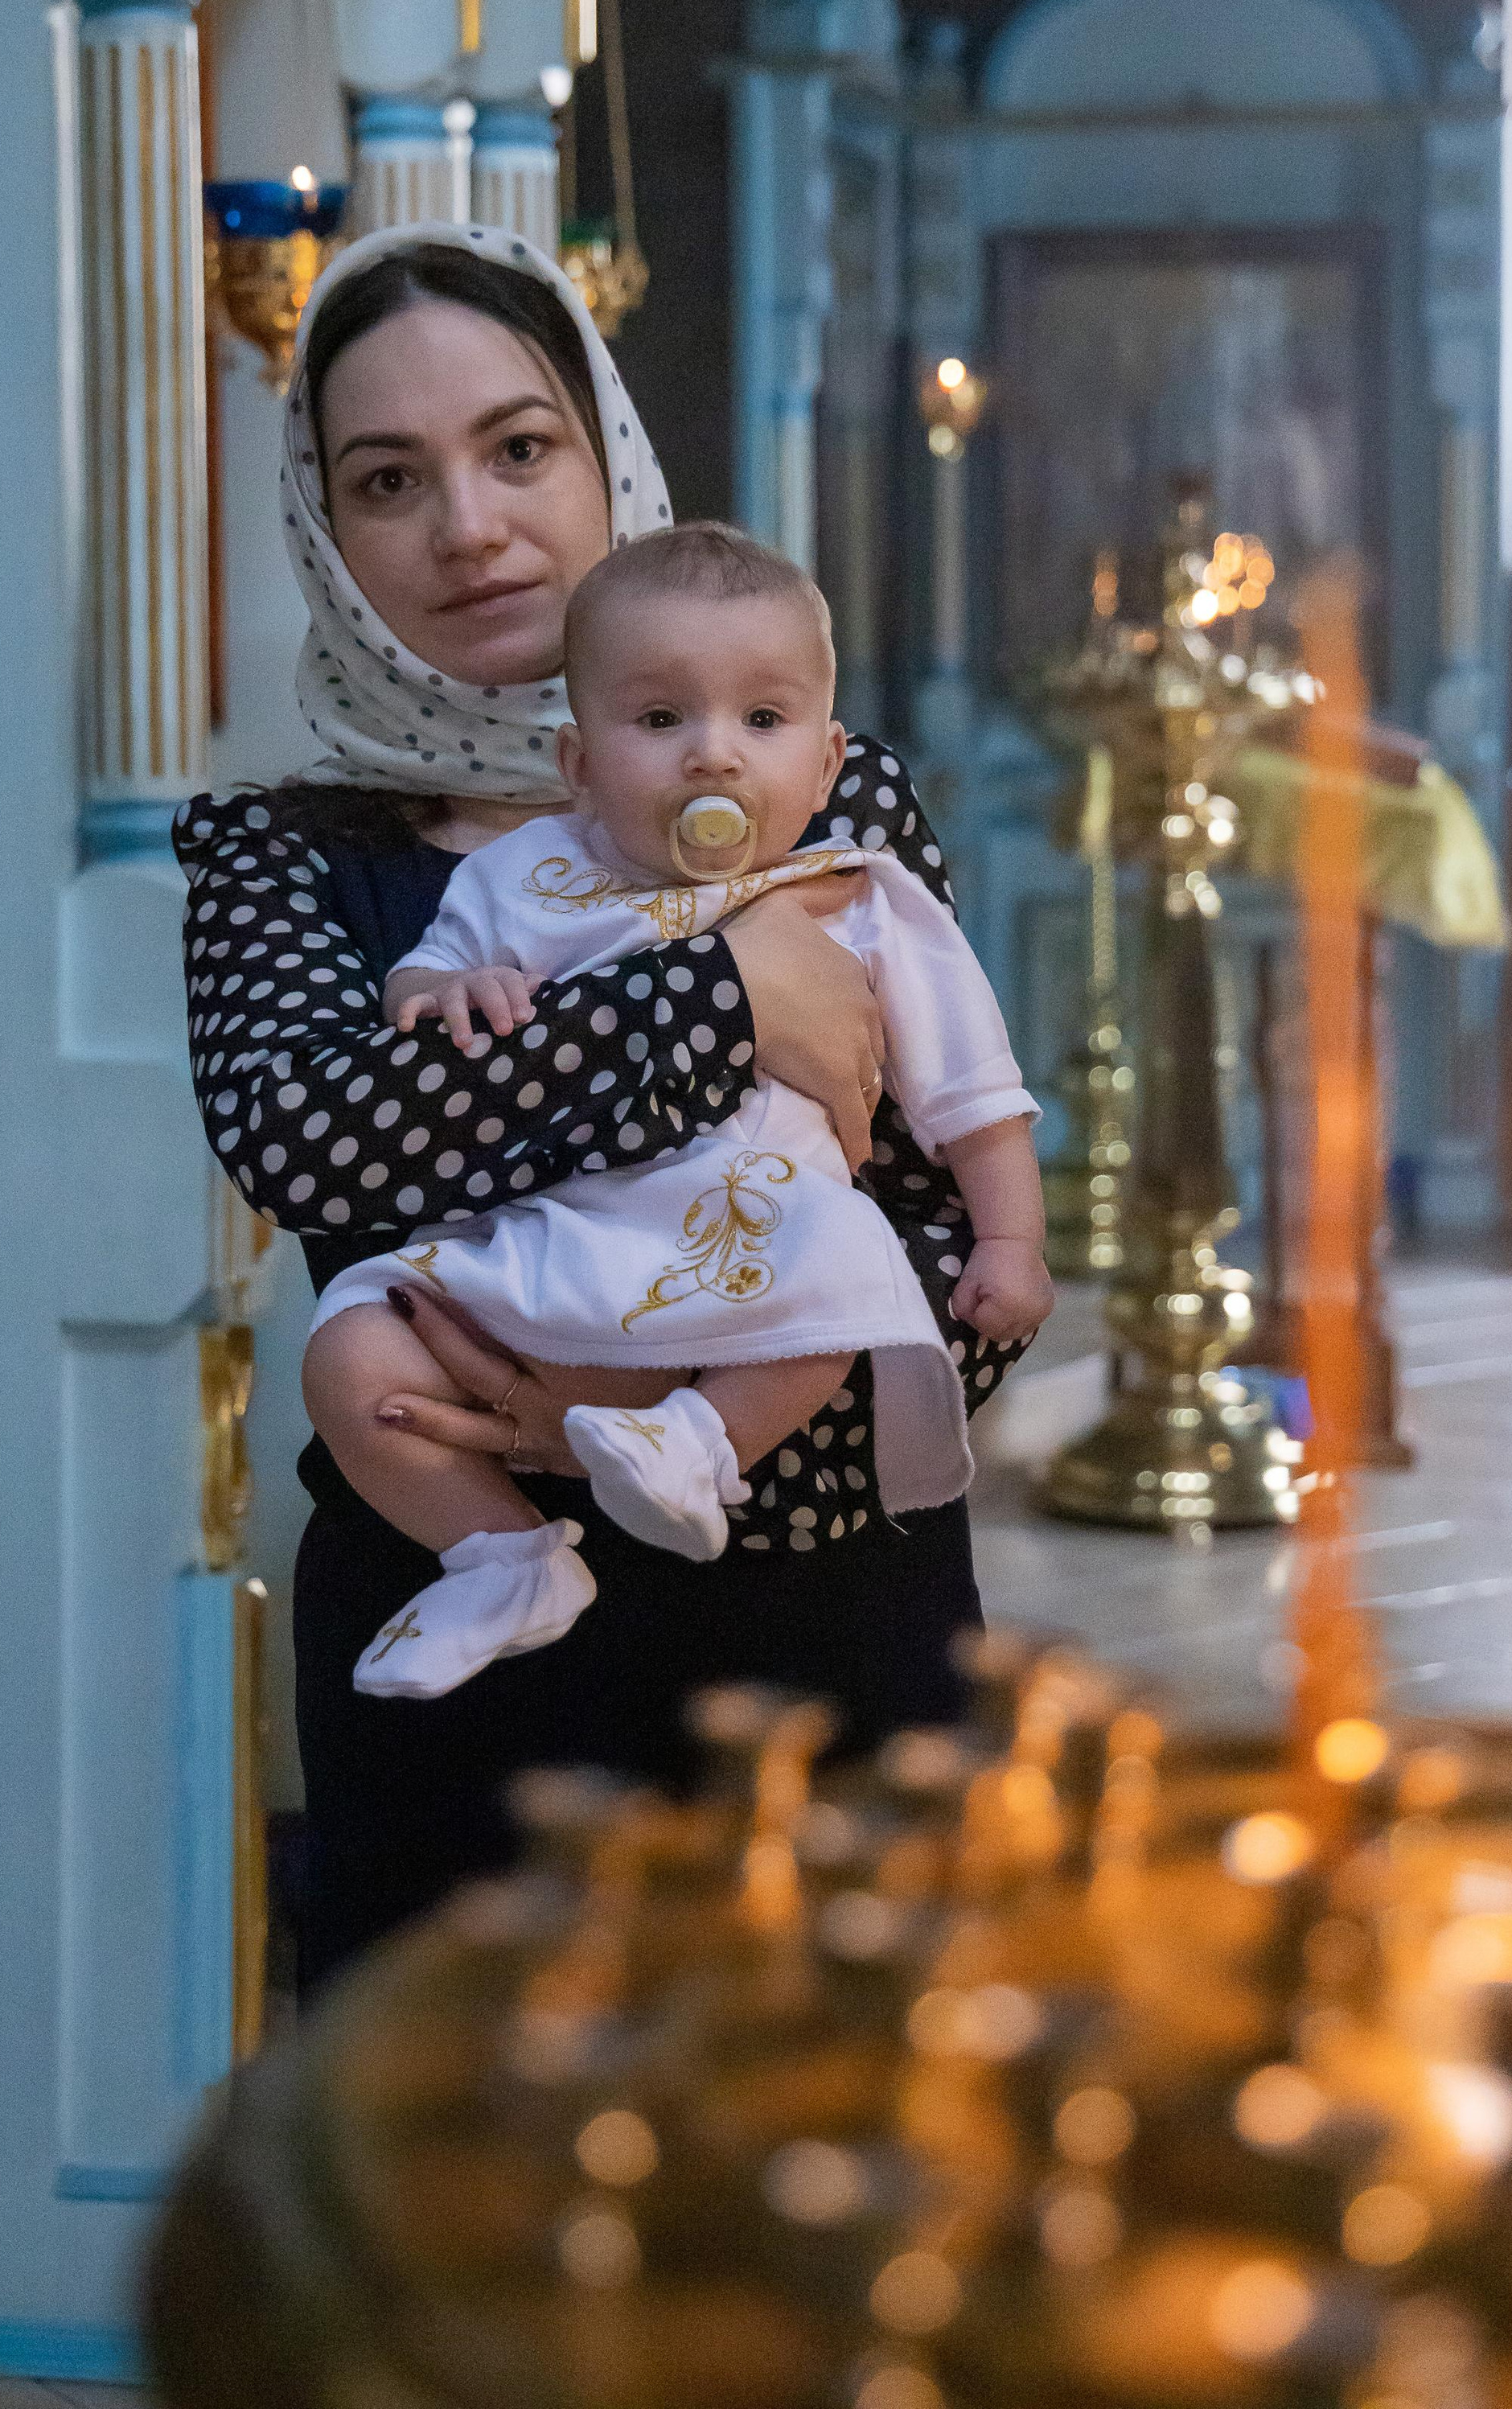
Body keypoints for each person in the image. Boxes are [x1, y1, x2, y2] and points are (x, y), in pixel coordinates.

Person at [177, 221, 1029, 1990]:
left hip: (821, 1609)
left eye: (517, 447)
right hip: (472, 1669)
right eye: (387, 478)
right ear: (326, 530)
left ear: (603, 448)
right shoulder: (284, 851)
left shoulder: (824, 783)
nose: (468, 526)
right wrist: (721, 992)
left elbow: (945, 1231)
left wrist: (636, 1419)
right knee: (444, 2202)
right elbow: (313, 1141)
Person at [302, 520, 1051, 1697]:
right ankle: (500, 1557)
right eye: (660, 722)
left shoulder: (854, 893)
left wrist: (1012, 1241)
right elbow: (411, 987)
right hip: (548, 1244)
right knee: (350, 1350)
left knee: (843, 1281)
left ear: (825, 762)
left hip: (756, 1236)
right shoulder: (526, 875)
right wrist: (450, 987)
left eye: (763, 720)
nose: (713, 756)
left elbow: (971, 1086)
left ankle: (701, 1443)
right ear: (581, 763)